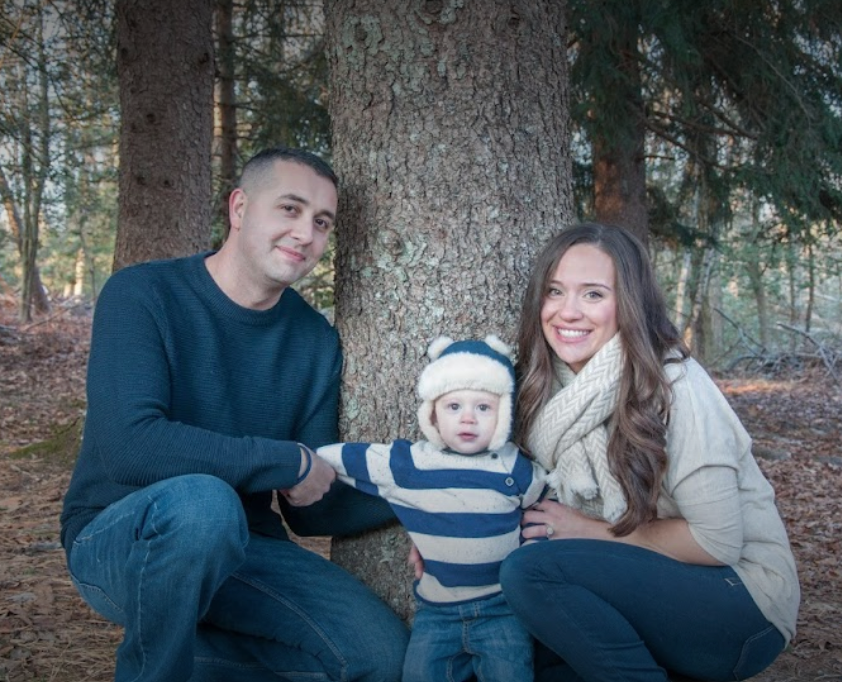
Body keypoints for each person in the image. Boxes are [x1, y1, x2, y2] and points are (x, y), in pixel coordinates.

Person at [59, 146, 409, 682]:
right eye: (289, 210)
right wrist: (283, 461)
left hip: (246, 551)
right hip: (120, 538)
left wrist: (429, 486)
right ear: (240, 208)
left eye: (321, 222)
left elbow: (311, 508)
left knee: (380, 658)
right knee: (204, 503)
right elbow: (130, 446)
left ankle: (187, 659)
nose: (305, 234)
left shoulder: (313, 341)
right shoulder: (144, 294)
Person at [499, 223, 800, 682]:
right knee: (518, 661)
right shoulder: (545, 388)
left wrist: (588, 529)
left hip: (741, 605)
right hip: (645, 590)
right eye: (555, 291)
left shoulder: (674, 385)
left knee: (530, 573)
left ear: (630, 303)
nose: (568, 311)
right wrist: (450, 533)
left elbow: (717, 542)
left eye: (594, 294)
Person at [316, 335, 547, 682]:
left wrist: (535, 545)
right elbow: (351, 457)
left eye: (483, 408)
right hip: (436, 615)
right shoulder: (412, 465)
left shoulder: (513, 467)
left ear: (503, 414)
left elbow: (547, 504)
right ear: (433, 414)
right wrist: (302, 460)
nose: (468, 418)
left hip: (502, 611)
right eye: (454, 407)